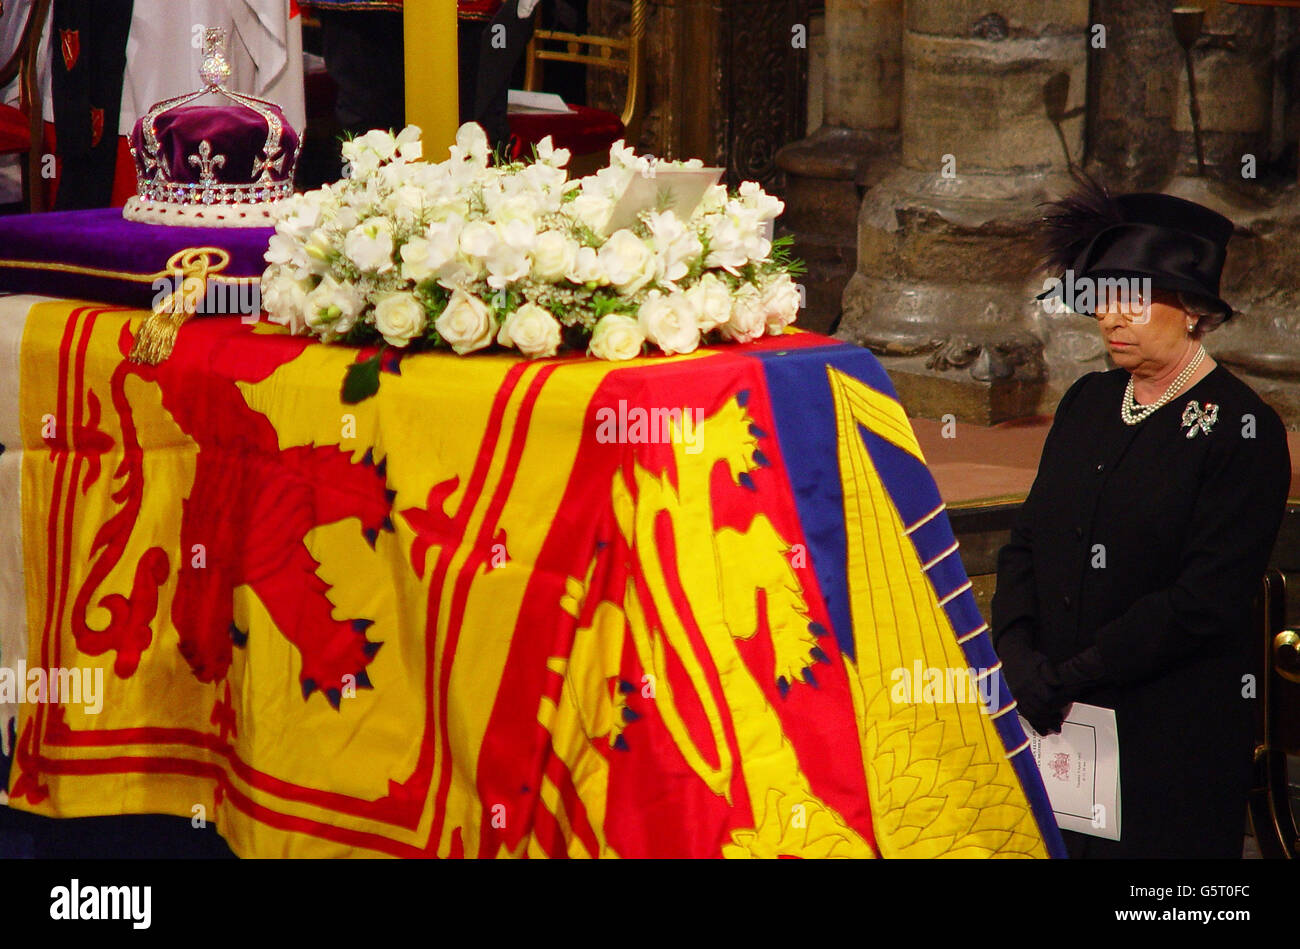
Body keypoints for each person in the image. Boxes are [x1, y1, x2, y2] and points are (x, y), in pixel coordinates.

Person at [991, 177, 1291, 859]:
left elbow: (1200, 602)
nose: (1110, 318)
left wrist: (1073, 675)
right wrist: (1017, 654)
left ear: (1192, 309)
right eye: (1100, 300)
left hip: (1166, 744)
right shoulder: (1088, 402)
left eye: (1131, 299)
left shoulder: (1242, 428)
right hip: (1055, 727)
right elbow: (1026, 543)